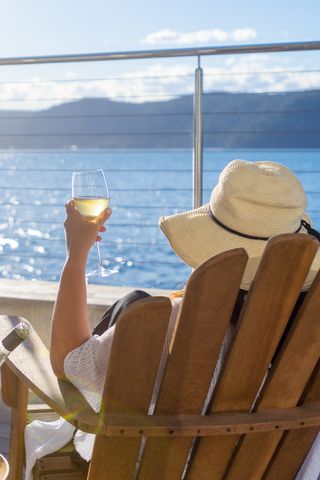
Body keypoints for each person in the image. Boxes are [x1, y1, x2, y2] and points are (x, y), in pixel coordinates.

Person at [25, 159, 320, 479]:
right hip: (267, 469)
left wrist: (76, 255)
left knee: (135, 310)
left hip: (156, 469)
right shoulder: (308, 332)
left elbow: (68, 362)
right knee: (134, 302)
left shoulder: (181, 324)